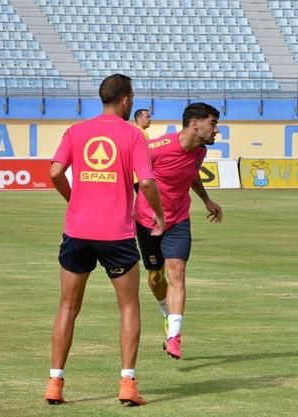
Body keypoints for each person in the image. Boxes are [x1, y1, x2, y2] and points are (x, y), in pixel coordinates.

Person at [44, 74, 165, 407]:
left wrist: (73, 199)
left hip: (77, 231)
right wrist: (159, 214)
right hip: (117, 235)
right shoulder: (133, 135)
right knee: (128, 306)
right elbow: (147, 182)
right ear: (126, 100)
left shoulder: (76, 131)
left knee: (68, 306)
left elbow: (55, 172)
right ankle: (127, 383)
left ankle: (55, 382)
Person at [134, 102, 223, 360]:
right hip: (147, 222)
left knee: (178, 272)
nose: (216, 130)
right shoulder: (156, 148)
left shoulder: (200, 151)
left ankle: (174, 336)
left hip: (178, 221)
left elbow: (193, 176)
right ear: (195, 124)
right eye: (213, 124)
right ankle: (165, 312)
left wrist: (207, 200)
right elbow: (133, 172)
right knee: (155, 276)